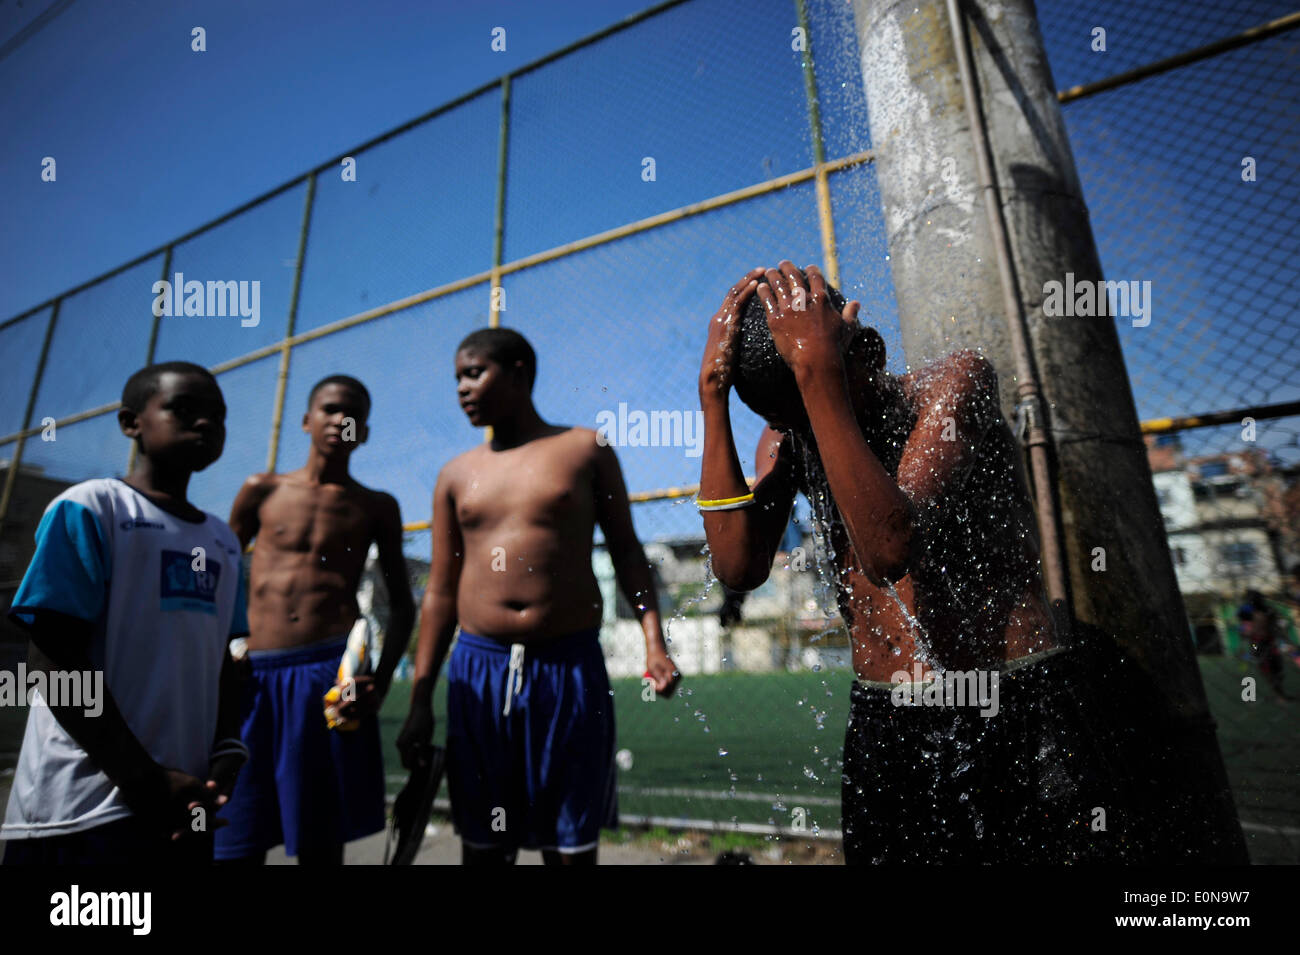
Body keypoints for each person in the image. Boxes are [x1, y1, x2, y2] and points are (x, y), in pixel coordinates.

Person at [698, 262, 1113, 863]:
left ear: (868, 351)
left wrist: (819, 374)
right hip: (885, 712)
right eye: (791, 420)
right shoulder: (791, 438)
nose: (805, 431)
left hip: (1005, 697)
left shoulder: (951, 387)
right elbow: (738, 568)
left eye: (822, 392)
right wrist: (712, 396)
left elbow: (888, 549)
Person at [397, 327, 679, 865]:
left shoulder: (584, 449)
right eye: (457, 376)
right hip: (480, 669)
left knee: (570, 847)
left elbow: (626, 550)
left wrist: (654, 644)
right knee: (484, 845)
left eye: (474, 372)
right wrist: (419, 701)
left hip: (568, 666)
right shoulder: (455, 475)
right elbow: (439, 591)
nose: (462, 387)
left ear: (520, 369)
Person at [3, 361, 248, 864]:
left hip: (180, 807)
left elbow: (225, 661)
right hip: (80, 810)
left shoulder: (224, 541)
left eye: (217, 416)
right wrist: (142, 777)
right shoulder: (92, 508)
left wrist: (226, 750)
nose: (205, 423)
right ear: (130, 422)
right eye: (183, 409)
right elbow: (52, 664)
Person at [215, 375, 416, 864]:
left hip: (326, 677)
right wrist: (218, 652)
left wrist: (381, 683)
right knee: (232, 838)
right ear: (307, 420)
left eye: (352, 414)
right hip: (252, 676)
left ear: (363, 433)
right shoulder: (261, 490)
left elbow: (403, 604)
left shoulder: (376, 506)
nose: (339, 421)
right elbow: (213, 576)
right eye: (329, 409)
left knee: (320, 843)